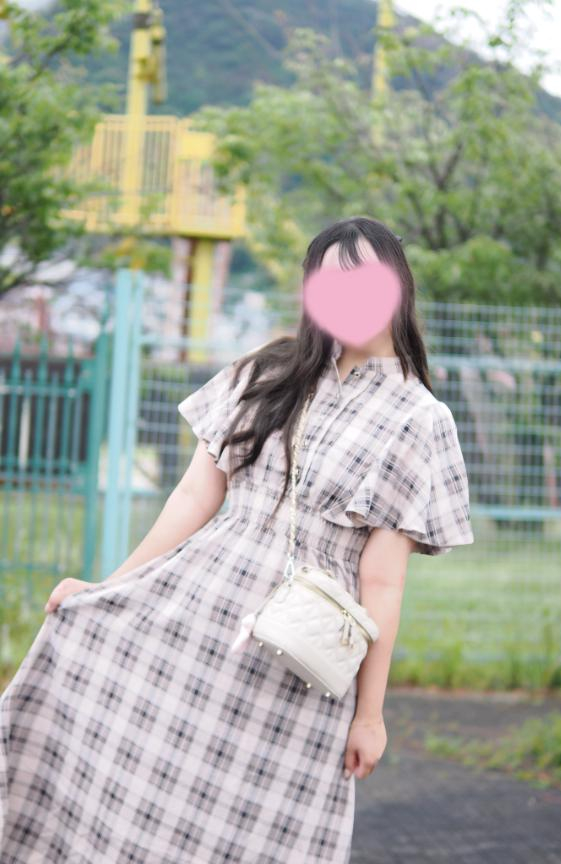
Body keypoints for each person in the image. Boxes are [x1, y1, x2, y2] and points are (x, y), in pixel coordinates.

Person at [0, 216, 474, 863]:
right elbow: (194, 498)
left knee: (256, 830)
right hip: (196, 615)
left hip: (298, 663)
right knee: (149, 792)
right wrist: (108, 588)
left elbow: (383, 583)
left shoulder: (420, 419)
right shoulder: (269, 373)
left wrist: (370, 714)